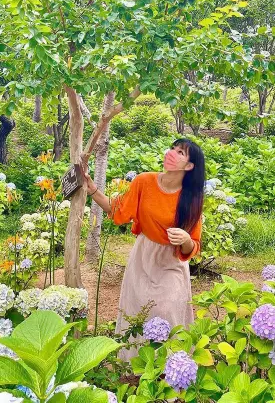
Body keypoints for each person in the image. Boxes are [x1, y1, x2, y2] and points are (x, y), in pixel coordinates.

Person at [84, 138, 205, 361]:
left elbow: (193, 246)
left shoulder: (192, 198)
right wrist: (93, 191)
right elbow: (118, 210)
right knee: (137, 309)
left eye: (180, 152)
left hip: (171, 261)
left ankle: (173, 366)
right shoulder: (144, 182)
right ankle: (136, 364)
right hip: (144, 255)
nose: (172, 153)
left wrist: (186, 239)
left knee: (168, 309)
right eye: (173, 148)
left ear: (189, 166)